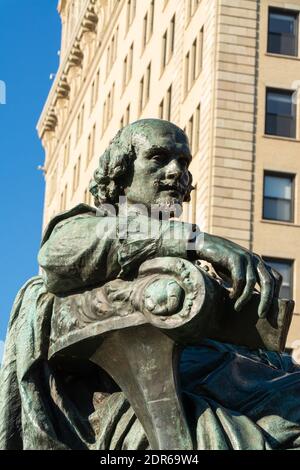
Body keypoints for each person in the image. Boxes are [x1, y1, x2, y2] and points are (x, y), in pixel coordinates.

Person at [0, 119, 299, 450]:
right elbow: (57, 255)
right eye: (159, 158)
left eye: (183, 162)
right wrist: (194, 240)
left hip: (242, 389)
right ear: (121, 172)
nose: (176, 172)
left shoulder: (184, 265)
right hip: (161, 403)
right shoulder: (88, 228)